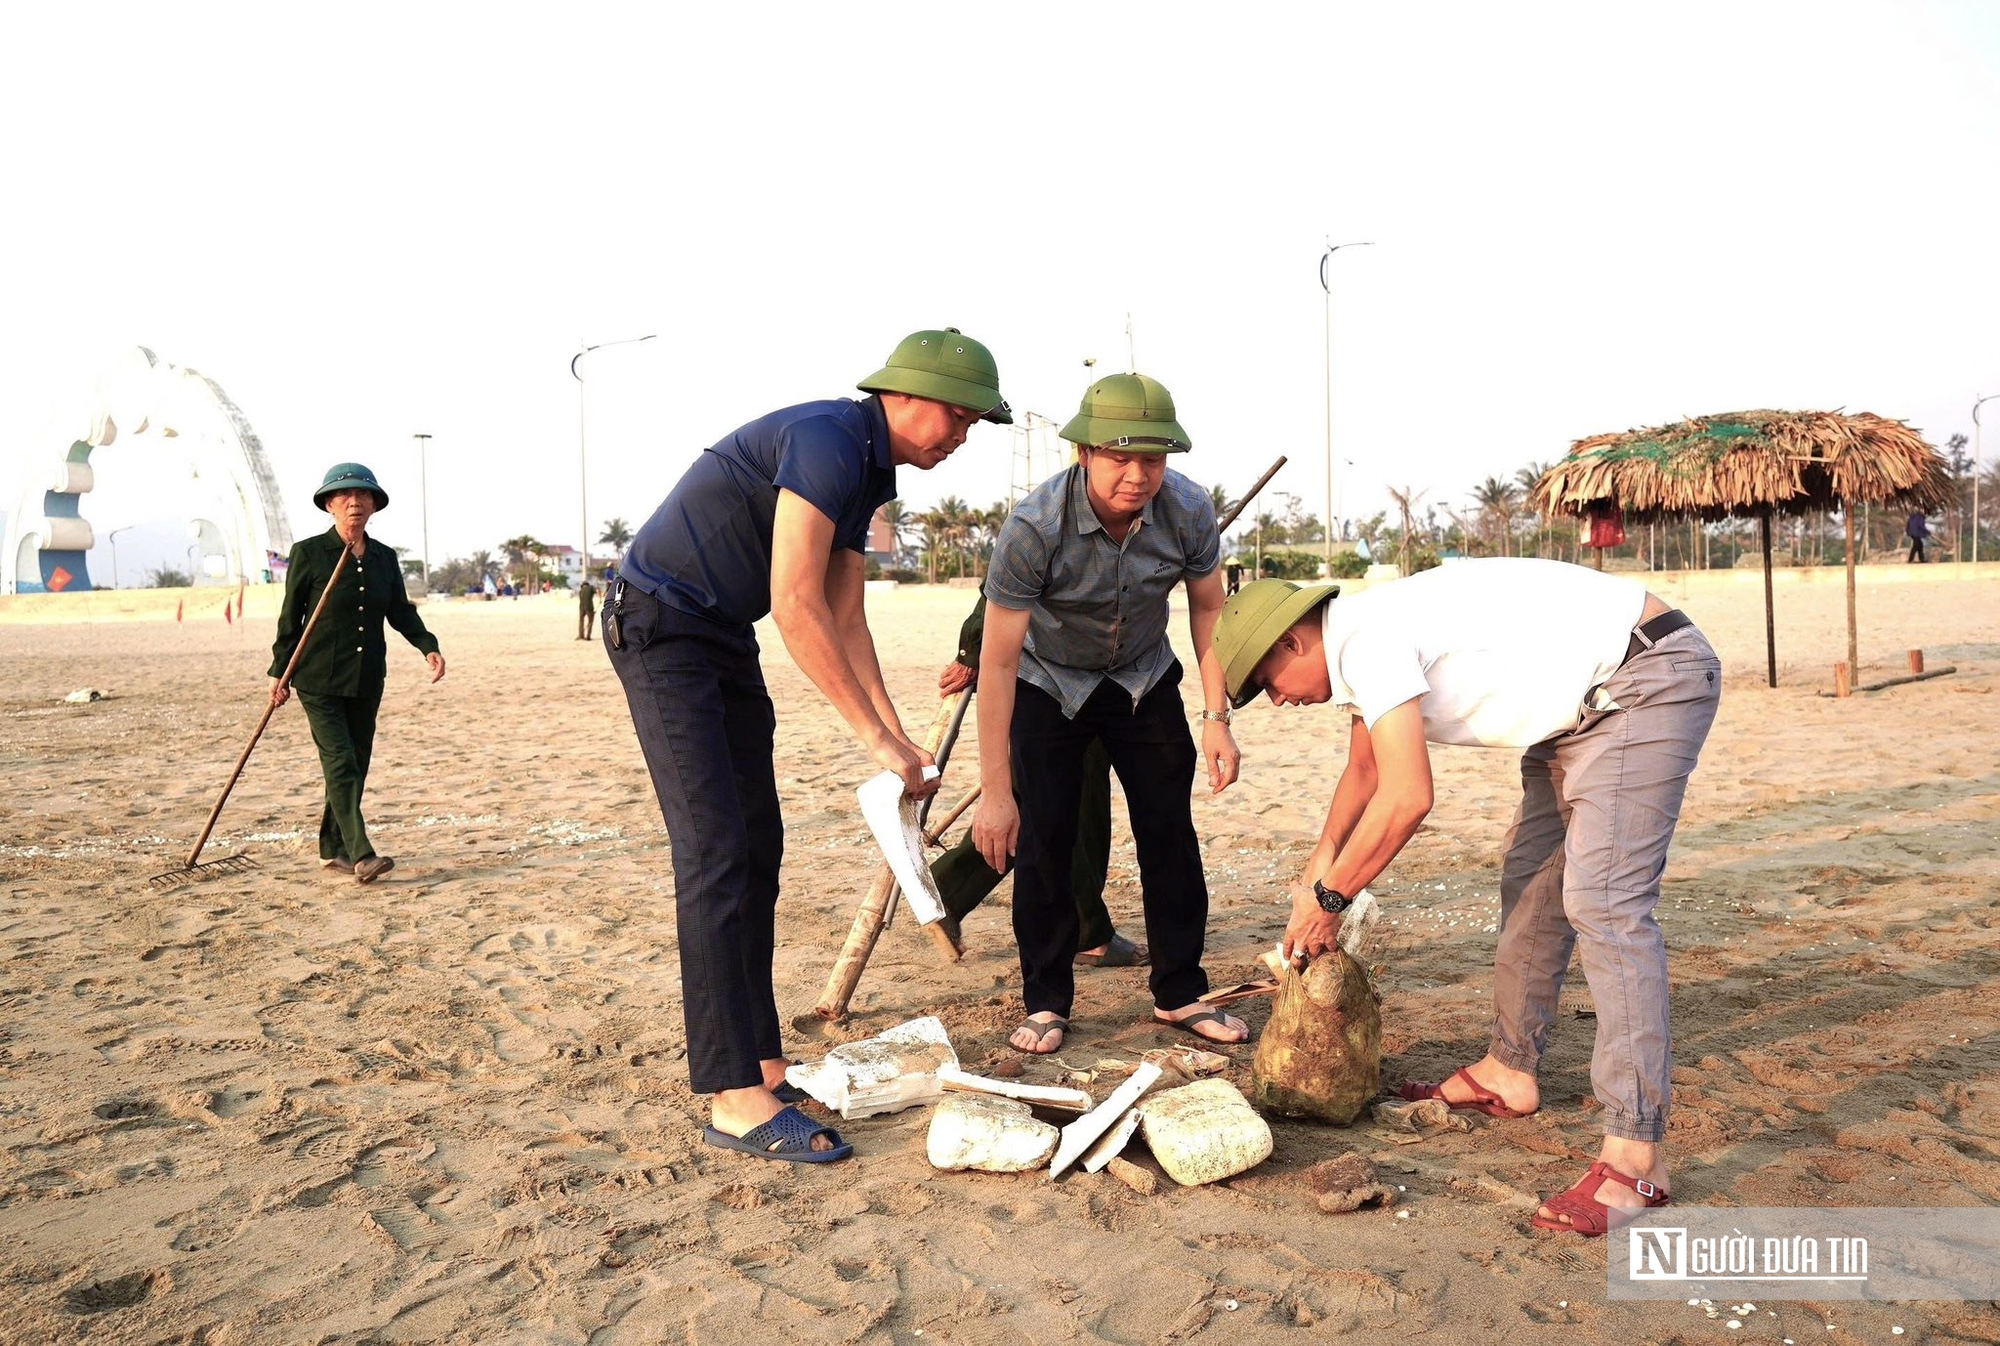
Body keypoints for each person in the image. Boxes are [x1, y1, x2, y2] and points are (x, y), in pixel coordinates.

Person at [1210, 559, 1722, 1236]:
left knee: (1605, 904)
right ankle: (1509, 1071)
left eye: (1267, 685)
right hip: (1578, 711)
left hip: (1642, 679)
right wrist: (1318, 868)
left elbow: (1408, 796)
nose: (1276, 701)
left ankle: (1636, 1159)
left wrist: (1331, 901)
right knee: (1533, 886)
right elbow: (1365, 769)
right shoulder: (1362, 635)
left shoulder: (1368, 639)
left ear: (1293, 643)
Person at [607, 327, 1010, 1163]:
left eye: (976, 426)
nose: (963, 439)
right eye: (960, 418)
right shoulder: (829, 438)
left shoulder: (870, 469)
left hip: (718, 633)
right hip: (659, 624)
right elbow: (794, 602)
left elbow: (845, 613)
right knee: (715, 851)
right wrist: (870, 736)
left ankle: (760, 1062)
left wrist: (897, 741)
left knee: (759, 846)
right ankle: (731, 1097)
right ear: (905, 395)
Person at [970, 372, 1246, 1055]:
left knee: (1169, 836)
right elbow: (998, 662)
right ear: (1085, 453)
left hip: (1143, 681)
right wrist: (996, 791)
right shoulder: (1035, 527)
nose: (1137, 475)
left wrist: (1217, 717)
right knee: (1047, 845)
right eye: (1119, 457)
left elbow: (1210, 609)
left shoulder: (1187, 510)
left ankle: (1180, 992)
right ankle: (1046, 1000)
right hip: (1048, 684)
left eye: (1151, 459)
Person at [929, 593, 1145, 967]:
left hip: (1092, 658)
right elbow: (1008, 567)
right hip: (1055, 663)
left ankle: (947, 888)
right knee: (1067, 787)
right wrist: (975, 646)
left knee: (1057, 787)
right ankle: (1084, 929)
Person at [268, 462, 447, 884]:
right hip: (317, 679)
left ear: (373, 506)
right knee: (341, 762)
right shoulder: (310, 553)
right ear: (330, 505)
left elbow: (400, 611)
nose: (355, 502)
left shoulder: (384, 557)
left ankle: (333, 846)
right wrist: (280, 673)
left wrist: (428, 646)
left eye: (363, 496)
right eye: (345, 496)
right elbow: (290, 618)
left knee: (356, 763)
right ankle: (361, 854)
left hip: (367, 678)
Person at [577, 574, 598, 640]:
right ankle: (588, 636)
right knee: (590, 621)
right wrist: (601, 598)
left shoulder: (580, 591)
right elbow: (597, 591)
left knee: (581, 621)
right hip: (589, 608)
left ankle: (581, 635)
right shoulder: (591, 587)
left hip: (581, 608)